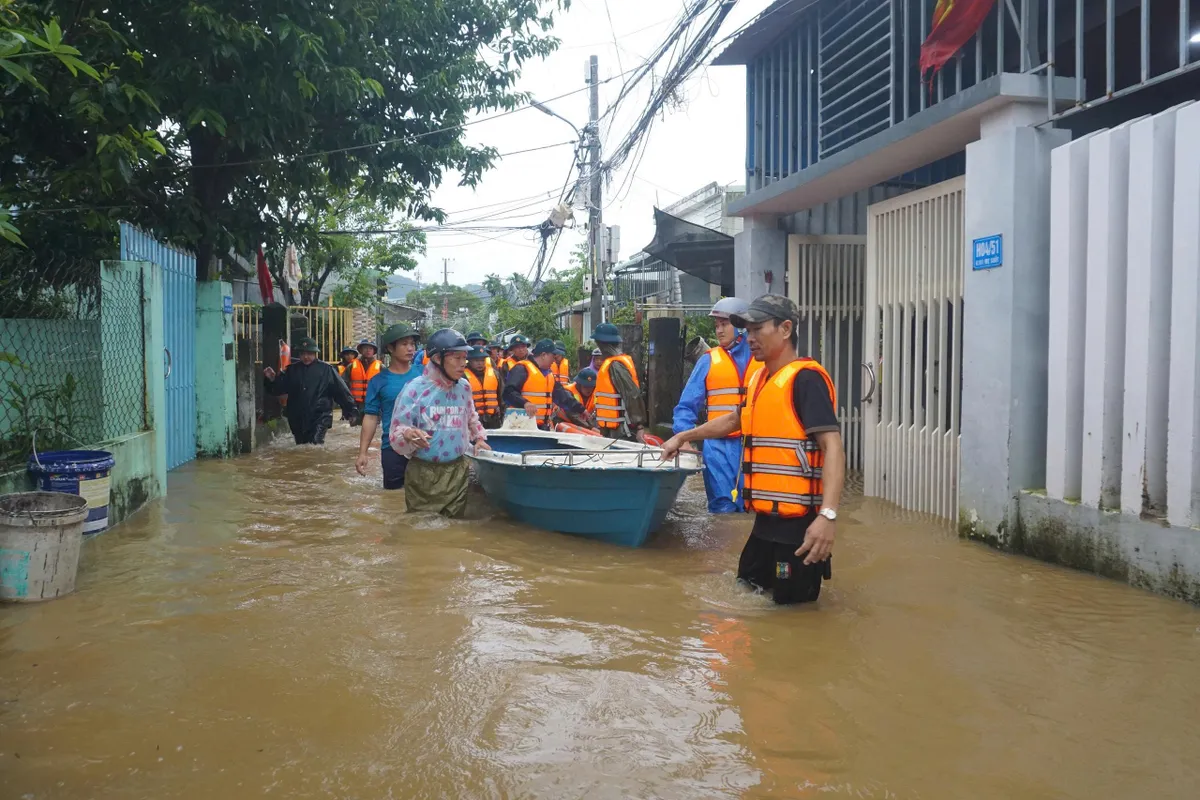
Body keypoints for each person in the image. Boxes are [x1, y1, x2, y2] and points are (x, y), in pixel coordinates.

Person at [660, 295, 844, 606]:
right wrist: (684, 436)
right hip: (765, 525)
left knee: (793, 617)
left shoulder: (806, 380)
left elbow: (834, 448)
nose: (751, 338)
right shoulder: (760, 378)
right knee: (745, 589)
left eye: (758, 329)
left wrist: (828, 516)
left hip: (798, 531)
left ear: (785, 329)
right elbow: (734, 420)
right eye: (747, 331)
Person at [672, 297, 762, 513]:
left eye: (725, 324)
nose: (719, 331)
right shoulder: (709, 360)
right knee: (723, 507)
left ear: (741, 326)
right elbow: (685, 406)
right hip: (717, 447)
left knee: (756, 507)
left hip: (754, 445)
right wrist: (684, 437)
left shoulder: (763, 359)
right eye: (717, 325)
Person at [389, 329, 491, 517]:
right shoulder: (414, 390)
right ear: (437, 359)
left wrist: (479, 438)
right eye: (456, 358)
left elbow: (471, 417)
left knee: (452, 529)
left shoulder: (463, 387)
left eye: (464, 358)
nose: (463, 364)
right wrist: (408, 433)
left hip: (458, 470)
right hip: (424, 474)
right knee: (421, 527)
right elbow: (396, 430)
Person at [355, 324, 423, 490]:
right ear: (390, 348)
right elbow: (371, 417)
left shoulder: (424, 374)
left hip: (424, 446)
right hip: (392, 448)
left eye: (412, 344)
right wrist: (363, 453)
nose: (410, 348)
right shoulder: (378, 381)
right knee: (394, 500)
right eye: (404, 344)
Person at [263, 338, 358, 445]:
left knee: (315, 444)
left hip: (320, 416)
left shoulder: (327, 370)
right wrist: (271, 379)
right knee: (301, 446)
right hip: (297, 416)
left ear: (315, 353)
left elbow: (341, 391)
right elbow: (278, 390)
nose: (306, 357)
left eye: (309, 353)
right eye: (303, 353)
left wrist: (351, 411)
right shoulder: (292, 370)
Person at [503, 338, 587, 429]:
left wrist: (581, 409)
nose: (554, 361)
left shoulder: (549, 375)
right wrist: (525, 403)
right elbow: (508, 392)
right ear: (543, 355)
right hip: (522, 426)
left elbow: (563, 396)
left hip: (542, 426)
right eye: (552, 357)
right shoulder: (521, 369)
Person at [591, 323, 648, 442]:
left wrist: (639, 425)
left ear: (603, 344)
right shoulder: (610, 364)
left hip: (623, 430)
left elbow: (632, 394)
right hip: (611, 430)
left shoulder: (616, 365)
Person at [465, 345, 503, 429]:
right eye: (476, 360)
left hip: (494, 419)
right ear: (469, 361)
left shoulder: (495, 374)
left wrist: (503, 417)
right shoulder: (463, 376)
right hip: (472, 420)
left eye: (482, 360)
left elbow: (502, 397)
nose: (480, 363)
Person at [346, 338, 382, 411]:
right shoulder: (352, 366)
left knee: (372, 422)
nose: (368, 350)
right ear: (361, 350)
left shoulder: (381, 366)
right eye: (365, 348)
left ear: (374, 351)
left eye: (370, 348)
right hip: (355, 404)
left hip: (374, 403)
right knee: (356, 422)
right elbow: (343, 384)